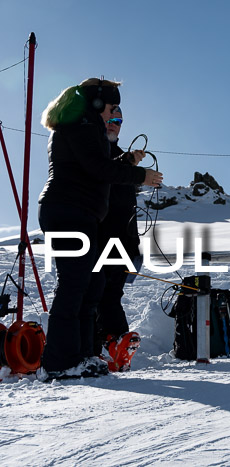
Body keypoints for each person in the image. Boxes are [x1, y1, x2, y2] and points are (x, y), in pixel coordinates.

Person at [36, 78, 162, 380]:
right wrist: (138, 174)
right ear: (97, 104)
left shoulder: (84, 127)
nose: (114, 115)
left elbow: (94, 164)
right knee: (75, 283)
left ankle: (82, 356)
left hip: (77, 213)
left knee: (91, 284)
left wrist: (126, 161)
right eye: (112, 108)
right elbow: (98, 168)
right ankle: (58, 361)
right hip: (68, 211)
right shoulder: (82, 126)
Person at [94, 106, 143, 371]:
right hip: (97, 238)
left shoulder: (122, 158)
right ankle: (112, 344)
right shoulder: (96, 155)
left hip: (122, 242)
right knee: (97, 294)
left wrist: (135, 249)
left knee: (109, 293)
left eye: (118, 121)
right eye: (109, 120)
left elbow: (127, 210)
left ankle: (114, 346)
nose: (113, 125)